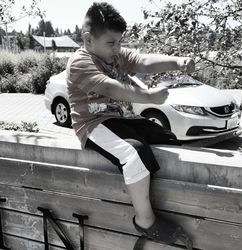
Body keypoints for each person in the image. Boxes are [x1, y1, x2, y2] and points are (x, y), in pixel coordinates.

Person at [66, 2, 195, 248]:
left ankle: (165, 197)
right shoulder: (81, 63)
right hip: (94, 124)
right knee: (134, 153)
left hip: (122, 119)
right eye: (111, 43)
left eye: (119, 42)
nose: (117, 48)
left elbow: (143, 61)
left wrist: (177, 62)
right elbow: (108, 87)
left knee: (167, 138)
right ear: (88, 39)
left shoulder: (115, 53)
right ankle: (145, 221)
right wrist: (147, 97)